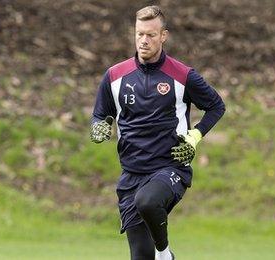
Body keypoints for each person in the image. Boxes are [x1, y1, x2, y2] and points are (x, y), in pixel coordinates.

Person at [90, 5, 225, 260]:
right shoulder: (115, 76)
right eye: (139, 33)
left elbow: (217, 106)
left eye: (151, 35)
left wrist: (195, 136)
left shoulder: (183, 76)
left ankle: (164, 255)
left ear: (164, 36)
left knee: (148, 201)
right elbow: (101, 113)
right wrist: (99, 125)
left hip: (170, 168)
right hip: (131, 175)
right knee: (141, 256)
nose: (144, 40)